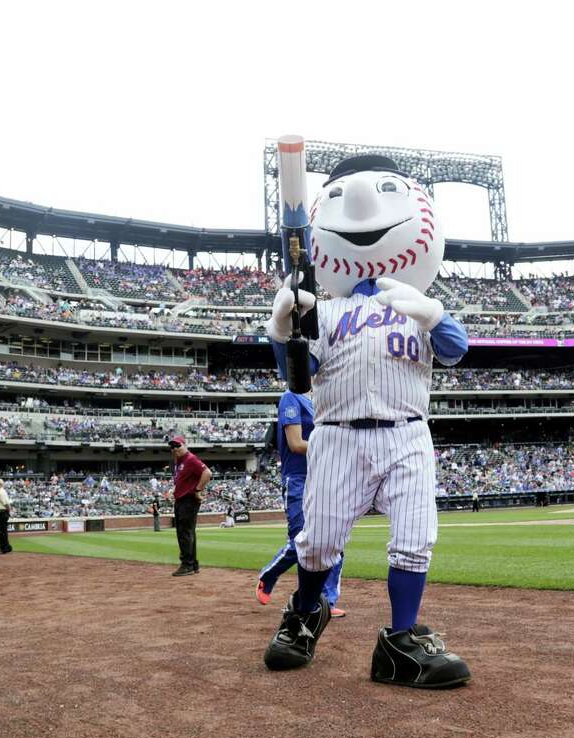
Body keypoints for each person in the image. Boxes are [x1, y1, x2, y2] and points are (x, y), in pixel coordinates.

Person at [262, 153, 470, 688]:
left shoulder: (416, 302)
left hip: (407, 432)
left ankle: (401, 642)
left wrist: (435, 314)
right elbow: (299, 379)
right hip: (338, 436)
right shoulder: (325, 312)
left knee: (416, 536)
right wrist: (284, 333)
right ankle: (306, 616)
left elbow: (456, 350)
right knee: (318, 542)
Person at [256, 390, 345, 618]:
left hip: (324, 476)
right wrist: (331, 447)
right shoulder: (291, 397)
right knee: (300, 541)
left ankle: (326, 601)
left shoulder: (326, 398)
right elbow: (295, 444)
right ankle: (269, 575)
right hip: (297, 478)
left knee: (333, 540)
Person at [169, 435, 211, 576]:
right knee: (188, 533)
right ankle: (193, 564)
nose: (175, 448)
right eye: (172, 447)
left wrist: (198, 489)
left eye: (178, 445)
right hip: (182, 500)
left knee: (184, 533)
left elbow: (207, 473)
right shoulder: (180, 462)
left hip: (187, 500)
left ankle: (187, 564)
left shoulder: (190, 459)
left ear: (185, 445)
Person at [0, 478, 13, 554]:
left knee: (1, 532)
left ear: (0, 485)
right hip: (1, 513)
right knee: (2, 531)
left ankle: (4, 548)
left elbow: (6, 504)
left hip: (2, 513)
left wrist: (8, 512)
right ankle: (7, 547)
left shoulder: (1, 492)